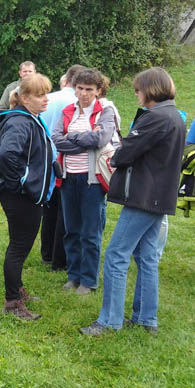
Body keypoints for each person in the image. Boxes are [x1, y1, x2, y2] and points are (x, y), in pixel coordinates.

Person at [81, 68, 185, 336]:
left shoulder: (155, 117)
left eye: (138, 90)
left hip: (143, 197)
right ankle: (146, 318)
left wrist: (115, 154)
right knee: (146, 257)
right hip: (159, 197)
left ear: (151, 89)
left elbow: (126, 152)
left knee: (116, 255)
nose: (136, 94)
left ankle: (109, 321)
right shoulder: (174, 115)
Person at [0, 74, 55, 320]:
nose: (46, 99)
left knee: (20, 245)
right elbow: (6, 156)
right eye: (40, 95)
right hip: (21, 197)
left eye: (46, 93)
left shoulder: (30, 119)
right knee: (19, 248)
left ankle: (17, 290)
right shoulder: (20, 122)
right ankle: (12, 303)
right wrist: (23, 183)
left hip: (26, 195)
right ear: (25, 98)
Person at [52, 68, 116, 295]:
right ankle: (73, 276)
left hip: (93, 181)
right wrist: (84, 141)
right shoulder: (68, 111)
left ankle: (88, 280)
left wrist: (72, 137)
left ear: (98, 90)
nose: (84, 94)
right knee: (71, 231)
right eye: (80, 88)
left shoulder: (104, 112)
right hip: (68, 178)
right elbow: (56, 139)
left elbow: (101, 139)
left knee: (90, 233)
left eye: (89, 89)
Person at [38, 64, 86, 271]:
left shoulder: (48, 99)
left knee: (48, 209)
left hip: (45, 158)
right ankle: (60, 258)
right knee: (64, 213)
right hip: (67, 159)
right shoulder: (77, 103)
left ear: (65, 80)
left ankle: (46, 253)